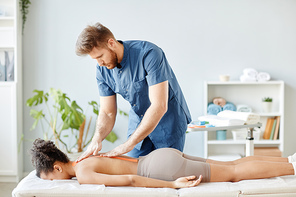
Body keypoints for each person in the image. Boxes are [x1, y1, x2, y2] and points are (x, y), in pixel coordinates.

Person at [75, 22, 191, 160]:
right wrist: (97, 139)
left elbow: (159, 106)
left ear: (111, 43)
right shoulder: (102, 70)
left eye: (100, 56)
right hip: (138, 120)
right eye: (95, 59)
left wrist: (127, 145)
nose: (99, 63)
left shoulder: (149, 54)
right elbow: (107, 112)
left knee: (164, 172)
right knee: (135, 170)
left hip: (168, 121)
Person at [31, 139, 296, 189]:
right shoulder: (85, 155)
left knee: (235, 173)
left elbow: (131, 180)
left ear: (56, 167)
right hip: (160, 156)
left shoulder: (84, 173)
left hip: (161, 169)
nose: (53, 183)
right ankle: (289, 160)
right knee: (235, 164)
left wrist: (171, 185)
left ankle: (292, 167)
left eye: (49, 179)